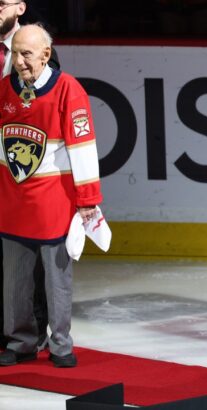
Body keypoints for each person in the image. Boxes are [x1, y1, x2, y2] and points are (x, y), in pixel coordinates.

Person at [0, 24, 102, 368]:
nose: (19, 61)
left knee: (56, 281)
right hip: (11, 204)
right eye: (14, 53)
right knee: (14, 283)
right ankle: (21, 342)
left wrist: (87, 199)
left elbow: (83, 148)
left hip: (53, 206)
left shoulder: (68, 90)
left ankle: (60, 344)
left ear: (46, 55)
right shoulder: (2, 89)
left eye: (26, 54)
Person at [0, 0, 59, 352]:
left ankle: (30, 335)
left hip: (21, 171)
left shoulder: (36, 48)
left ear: (20, 6)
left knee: (28, 261)